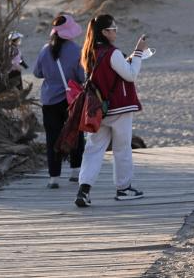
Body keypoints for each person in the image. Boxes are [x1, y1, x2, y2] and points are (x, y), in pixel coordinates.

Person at [75, 14, 149, 207]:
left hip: (98, 108)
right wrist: (139, 53)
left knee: (93, 149)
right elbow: (130, 75)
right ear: (105, 32)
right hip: (119, 106)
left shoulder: (89, 52)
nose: (116, 32)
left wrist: (130, 58)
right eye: (113, 29)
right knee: (122, 148)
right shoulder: (112, 53)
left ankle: (84, 189)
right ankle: (124, 188)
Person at [33, 15, 86, 189]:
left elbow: (37, 73)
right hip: (71, 100)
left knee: (52, 138)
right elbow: (81, 76)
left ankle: (53, 178)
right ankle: (75, 172)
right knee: (76, 134)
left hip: (50, 101)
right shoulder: (76, 50)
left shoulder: (44, 49)